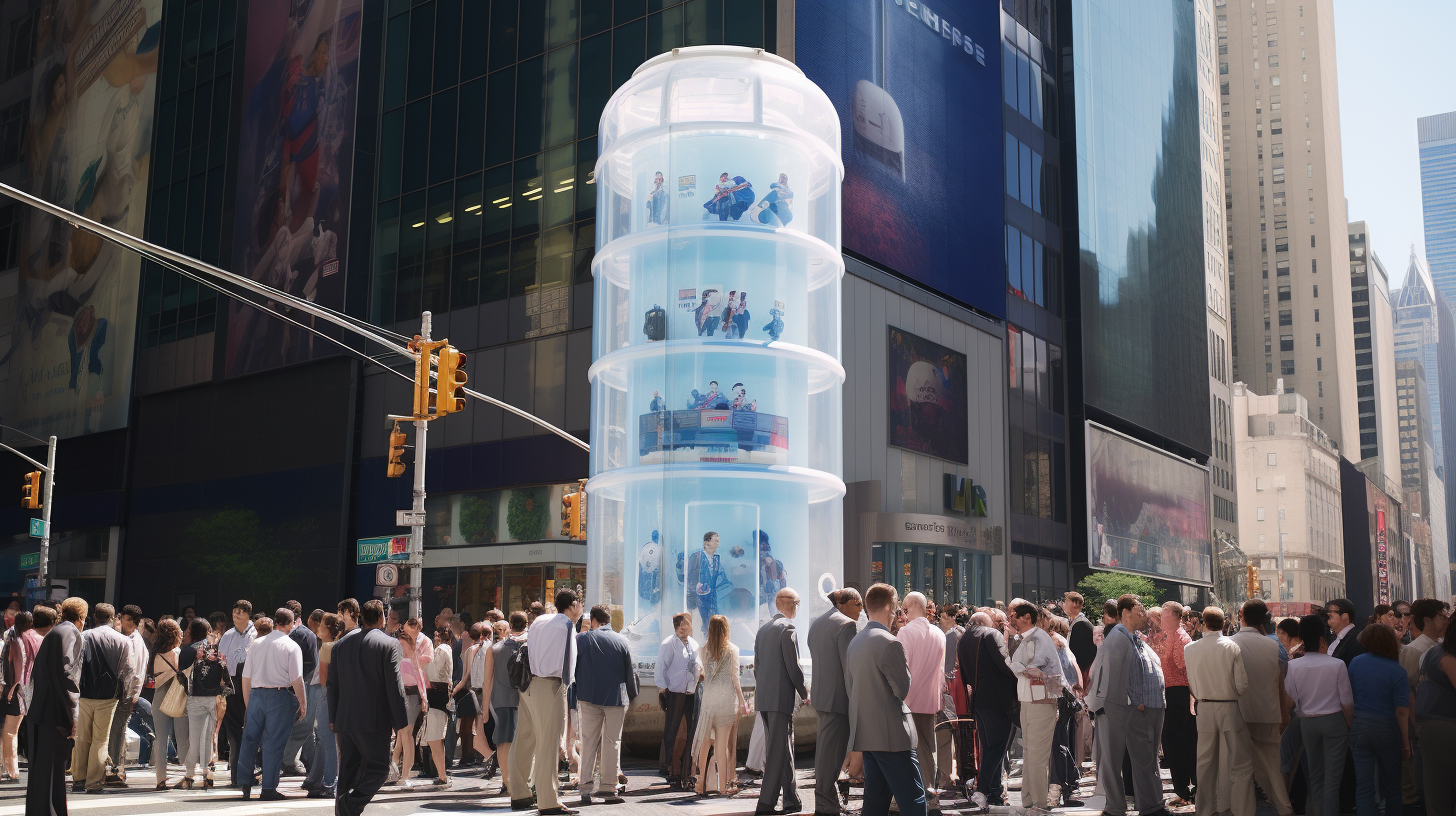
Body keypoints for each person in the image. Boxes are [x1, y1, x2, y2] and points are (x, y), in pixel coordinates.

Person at [1086, 595, 1170, 816]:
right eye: (1139, 609)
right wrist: (1130, 704)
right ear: (1125, 612)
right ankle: (1117, 808)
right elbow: (1110, 677)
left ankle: (1141, 806)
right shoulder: (1118, 637)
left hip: (1132, 708)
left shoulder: (1132, 638)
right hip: (1120, 708)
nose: (1143, 614)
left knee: (1140, 760)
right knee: (1114, 761)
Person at [846, 583, 926, 816]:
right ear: (891, 607)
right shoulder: (890, 642)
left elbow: (851, 688)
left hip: (868, 734)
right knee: (913, 799)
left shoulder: (856, 642)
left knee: (875, 801)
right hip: (891, 734)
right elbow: (902, 689)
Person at [328, 599, 408, 816]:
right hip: (373, 718)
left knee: (347, 770)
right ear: (382, 618)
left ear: (362, 617)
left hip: (345, 717)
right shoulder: (389, 643)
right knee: (380, 768)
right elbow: (395, 685)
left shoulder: (341, 644)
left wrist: (333, 716)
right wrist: (401, 721)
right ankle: (350, 806)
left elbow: (332, 684)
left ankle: (343, 812)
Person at [508, 588, 582, 816]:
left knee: (524, 739)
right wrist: (566, 689)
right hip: (550, 684)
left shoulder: (541, 620)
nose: (581, 608)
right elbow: (569, 663)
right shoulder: (567, 625)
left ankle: (519, 794)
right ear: (573, 605)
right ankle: (548, 801)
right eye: (580, 603)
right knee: (548, 744)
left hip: (528, 682)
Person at [1183, 606, 1254, 816]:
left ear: (1203, 623)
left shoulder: (1190, 648)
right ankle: (1240, 809)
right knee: (1239, 762)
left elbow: (1191, 683)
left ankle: (1204, 809)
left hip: (1204, 706)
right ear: (1223, 624)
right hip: (1229, 706)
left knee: (1205, 762)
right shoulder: (1231, 646)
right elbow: (1242, 685)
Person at [1285, 614, 1353, 816]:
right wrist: (1349, 725)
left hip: (1307, 722)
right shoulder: (1337, 664)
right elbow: (1347, 701)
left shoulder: (1293, 665)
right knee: (1333, 779)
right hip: (1334, 721)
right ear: (1323, 638)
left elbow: (1292, 698)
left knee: (1314, 775)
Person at [1231, 599, 1294, 816]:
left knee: (1241, 769)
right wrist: (1284, 713)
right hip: (1268, 712)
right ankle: (1284, 809)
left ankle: (1244, 811)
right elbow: (1280, 682)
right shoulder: (1273, 645)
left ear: (1242, 616)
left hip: (1239, 713)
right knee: (1273, 768)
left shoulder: (1230, 644)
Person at [236, 610, 307, 800]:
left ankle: (244, 784)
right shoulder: (291, 646)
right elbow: (296, 679)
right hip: (278, 694)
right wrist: (303, 702)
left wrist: (248, 702)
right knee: (273, 743)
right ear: (291, 624)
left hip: (256, 694)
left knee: (250, 740)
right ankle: (268, 788)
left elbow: (246, 678)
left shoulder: (256, 644)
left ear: (275, 622)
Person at [753, 587, 808, 816]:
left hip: (765, 698)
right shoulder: (788, 628)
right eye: (797, 603)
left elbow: (757, 667)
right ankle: (766, 804)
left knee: (782, 748)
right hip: (779, 698)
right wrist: (804, 692)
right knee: (778, 751)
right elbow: (793, 666)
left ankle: (791, 800)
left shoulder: (763, 629)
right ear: (792, 604)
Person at [28, 598, 85, 815]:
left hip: (41, 710)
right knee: (53, 773)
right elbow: (67, 673)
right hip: (55, 712)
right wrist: (73, 714)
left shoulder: (56, 632)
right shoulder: (70, 633)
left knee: (41, 773)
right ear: (82, 618)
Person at [575, 604, 636, 805]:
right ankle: (609, 788)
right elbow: (629, 672)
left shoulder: (583, 639)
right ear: (608, 620)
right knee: (612, 742)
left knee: (588, 741)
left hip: (589, 696)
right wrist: (632, 695)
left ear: (593, 620)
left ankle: (585, 787)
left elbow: (574, 666)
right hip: (615, 699)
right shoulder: (622, 641)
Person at [1347, 624, 1409, 816]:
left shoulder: (1356, 662)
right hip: (1386, 727)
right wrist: (1405, 742)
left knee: (1364, 786)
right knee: (1392, 785)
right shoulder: (1397, 671)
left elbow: (1349, 697)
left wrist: (1352, 724)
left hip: (1359, 725)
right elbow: (1401, 711)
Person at [958, 609, 1017, 808]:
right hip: (997, 699)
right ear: (988, 622)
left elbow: (964, 674)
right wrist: (1021, 677)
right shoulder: (991, 634)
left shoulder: (965, 638)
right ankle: (983, 791)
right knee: (997, 747)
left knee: (989, 748)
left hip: (978, 699)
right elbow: (1005, 665)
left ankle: (994, 793)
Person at [72, 603, 134, 793]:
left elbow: (75, 664)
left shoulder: (84, 636)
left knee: (82, 737)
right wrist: (128, 693)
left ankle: (78, 779)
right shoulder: (123, 640)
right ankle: (94, 782)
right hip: (109, 695)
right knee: (100, 739)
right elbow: (128, 669)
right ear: (113, 617)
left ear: (94, 616)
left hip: (84, 692)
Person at [809, 588, 860, 815]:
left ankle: (827, 802)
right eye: (857, 604)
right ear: (842, 603)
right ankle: (825, 804)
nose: (861, 609)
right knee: (830, 756)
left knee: (826, 753)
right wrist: (856, 704)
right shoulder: (846, 625)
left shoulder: (817, 623)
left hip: (822, 697)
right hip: (838, 700)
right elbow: (848, 670)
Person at [1007, 601, 1062, 812]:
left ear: (1026, 618)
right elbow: (1023, 668)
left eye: (1015, 616)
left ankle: (1038, 802)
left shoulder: (1039, 638)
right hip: (1029, 700)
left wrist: (1018, 667)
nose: (1011, 619)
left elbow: (1032, 668)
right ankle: (1030, 800)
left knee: (1037, 755)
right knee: (1030, 752)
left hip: (1041, 701)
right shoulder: (1027, 638)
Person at [895, 592, 945, 811]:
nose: (902, 610)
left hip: (908, 699)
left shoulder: (906, 632)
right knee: (926, 747)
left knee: (913, 750)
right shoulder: (938, 633)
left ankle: (923, 792)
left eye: (904, 606)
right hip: (930, 698)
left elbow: (900, 668)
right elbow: (941, 671)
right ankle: (929, 790)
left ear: (911, 605)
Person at [689, 614, 745, 798]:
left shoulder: (703, 650)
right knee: (722, 745)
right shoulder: (732, 650)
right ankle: (722, 786)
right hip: (727, 700)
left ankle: (700, 784)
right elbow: (735, 679)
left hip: (709, 700)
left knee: (705, 743)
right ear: (726, 629)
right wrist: (742, 701)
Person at [1151, 601, 1196, 807]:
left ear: (1177, 618)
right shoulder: (1168, 636)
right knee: (1171, 743)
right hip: (1169, 692)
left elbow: (1183, 668)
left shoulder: (1181, 638)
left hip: (1178, 693)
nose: (1162, 621)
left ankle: (1185, 791)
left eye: (1166, 617)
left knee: (1177, 743)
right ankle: (1182, 789)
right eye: (1162, 617)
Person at [178, 618, 228, 789]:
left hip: (195, 697)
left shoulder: (187, 651)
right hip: (214, 697)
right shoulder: (216, 648)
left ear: (192, 631)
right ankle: (208, 773)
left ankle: (190, 774)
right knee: (210, 737)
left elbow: (181, 675)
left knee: (194, 737)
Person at [103, 604, 147, 788]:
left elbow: (137, 671)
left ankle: (116, 771)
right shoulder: (125, 638)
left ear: (134, 622)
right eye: (121, 618)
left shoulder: (136, 642)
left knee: (118, 732)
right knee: (115, 731)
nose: (121, 622)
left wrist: (133, 694)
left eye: (126, 619)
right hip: (121, 692)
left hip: (126, 694)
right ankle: (113, 769)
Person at [1415, 625, 1456, 816]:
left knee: (1437, 792)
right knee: (1440, 793)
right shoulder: (1446, 657)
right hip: (1443, 726)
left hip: (1432, 725)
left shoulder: (1435, 652)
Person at [655, 612, 699, 790]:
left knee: (689, 731)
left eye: (687, 625)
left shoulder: (693, 644)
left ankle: (685, 769)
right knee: (674, 731)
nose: (684, 628)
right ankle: (671, 768)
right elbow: (660, 668)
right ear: (675, 627)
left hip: (690, 693)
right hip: (675, 692)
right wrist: (664, 688)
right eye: (680, 626)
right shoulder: (668, 644)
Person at [485, 612, 526, 793]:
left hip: (500, 698)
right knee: (524, 741)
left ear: (510, 625)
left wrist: (485, 708)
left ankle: (506, 781)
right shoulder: (530, 646)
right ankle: (521, 780)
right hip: (525, 698)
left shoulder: (494, 649)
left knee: (503, 742)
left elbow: (487, 680)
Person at [1046, 615, 1084, 808]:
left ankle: (1064, 788)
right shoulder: (1058, 642)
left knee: (1058, 745)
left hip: (1059, 699)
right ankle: (1068, 786)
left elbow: (1064, 675)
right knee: (1060, 744)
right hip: (1062, 699)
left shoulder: (1055, 642)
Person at [302, 613, 341, 798]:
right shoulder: (333, 646)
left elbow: (324, 679)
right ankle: (319, 779)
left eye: (322, 626)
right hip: (328, 694)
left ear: (330, 629)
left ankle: (330, 782)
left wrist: (325, 701)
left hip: (325, 695)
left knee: (326, 739)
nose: (318, 628)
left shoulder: (328, 647)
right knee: (324, 739)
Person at [390, 617, 431, 784]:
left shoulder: (412, 650)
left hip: (412, 694)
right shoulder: (397, 647)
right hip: (399, 695)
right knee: (400, 736)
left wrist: (423, 697)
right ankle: (394, 772)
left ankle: (404, 776)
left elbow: (419, 675)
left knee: (406, 735)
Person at [280, 602, 320, 778]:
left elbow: (311, 664)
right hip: (298, 686)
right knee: (304, 726)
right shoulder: (303, 634)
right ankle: (290, 760)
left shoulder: (303, 635)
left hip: (301, 685)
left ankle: (290, 760)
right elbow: (313, 664)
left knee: (304, 726)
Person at [220, 600, 256, 789]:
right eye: (234, 612)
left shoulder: (256, 634)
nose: (236, 615)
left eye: (240, 612)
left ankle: (248, 774)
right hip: (232, 689)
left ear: (249, 614)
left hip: (252, 689)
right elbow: (221, 662)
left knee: (251, 734)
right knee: (234, 736)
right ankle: (236, 776)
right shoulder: (227, 636)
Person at [1, 610, 40, 783]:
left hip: (14, 691)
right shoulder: (35, 639)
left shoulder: (14, 640)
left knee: (9, 731)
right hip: (24, 692)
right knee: (12, 731)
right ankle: (11, 769)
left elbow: (15, 672)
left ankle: (10, 769)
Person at [147, 618, 183, 791]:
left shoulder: (154, 653)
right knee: (183, 736)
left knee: (161, 739)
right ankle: (187, 774)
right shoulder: (178, 652)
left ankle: (160, 779)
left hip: (159, 697)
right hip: (176, 696)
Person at [1064, 592, 1096, 770]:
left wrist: (1080, 681)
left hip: (1081, 678)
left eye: (1066, 601)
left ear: (1075, 604)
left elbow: (1082, 657)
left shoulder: (1081, 625)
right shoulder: (1076, 623)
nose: (1063, 604)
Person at [420, 625, 453, 787]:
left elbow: (433, 669)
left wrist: (422, 661)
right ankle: (442, 775)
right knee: (435, 739)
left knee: (434, 738)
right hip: (437, 695)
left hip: (437, 695)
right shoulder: (443, 649)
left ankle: (443, 776)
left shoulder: (442, 649)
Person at [1326, 599, 1364, 665]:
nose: (1328, 614)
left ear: (1344, 616)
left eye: (1332, 612)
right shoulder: (1333, 638)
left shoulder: (1357, 638)